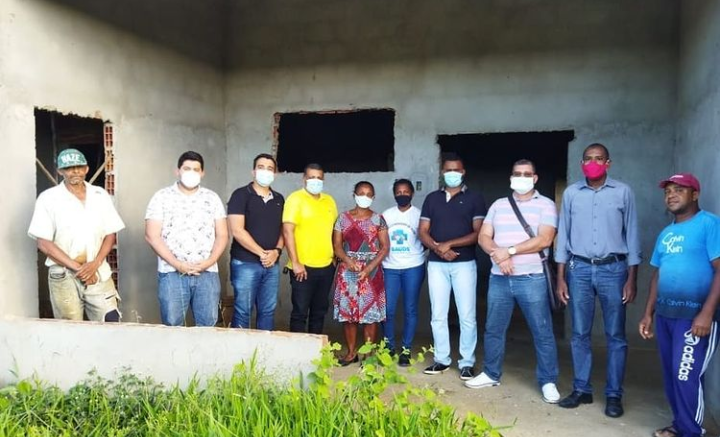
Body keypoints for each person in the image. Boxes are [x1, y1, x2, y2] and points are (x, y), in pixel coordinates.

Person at [555, 143, 641, 418]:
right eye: (589, 159)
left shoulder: (623, 192)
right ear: (582, 164)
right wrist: (560, 278)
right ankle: (582, 389)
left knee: (615, 335)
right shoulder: (571, 194)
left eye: (599, 158)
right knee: (579, 333)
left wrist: (631, 278)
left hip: (613, 270)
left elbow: (632, 235)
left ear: (608, 163)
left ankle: (614, 395)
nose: (593, 163)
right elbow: (563, 235)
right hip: (578, 269)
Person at [465, 159, 560, 403]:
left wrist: (509, 251)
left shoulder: (546, 205)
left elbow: (544, 239)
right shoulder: (499, 205)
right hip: (499, 278)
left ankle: (548, 380)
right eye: (517, 173)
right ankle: (491, 373)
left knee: (542, 331)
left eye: (527, 174)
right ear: (511, 178)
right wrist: (498, 255)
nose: (522, 177)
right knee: (494, 329)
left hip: (532, 278)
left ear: (535, 178)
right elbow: (484, 236)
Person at [639, 173, 719, 437]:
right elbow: (658, 274)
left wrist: (707, 313)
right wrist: (648, 313)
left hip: (694, 317)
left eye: (679, 190)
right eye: (667, 191)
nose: (671, 195)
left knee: (685, 375)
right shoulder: (666, 233)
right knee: (672, 374)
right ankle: (680, 425)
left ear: (695, 195)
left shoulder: (710, 224)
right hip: (666, 315)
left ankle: (691, 431)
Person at [28, 148, 125, 322]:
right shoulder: (48, 198)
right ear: (60, 171)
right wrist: (79, 269)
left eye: (79, 167)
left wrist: (94, 264)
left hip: (98, 271)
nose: (75, 172)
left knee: (110, 320)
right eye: (69, 168)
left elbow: (110, 234)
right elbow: (44, 243)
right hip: (64, 274)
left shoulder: (100, 195)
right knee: (70, 327)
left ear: (86, 169)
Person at [419, 153, 487, 380]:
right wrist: (439, 248)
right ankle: (441, 359)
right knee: (438, 314)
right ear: (442, 172)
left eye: (456, 170)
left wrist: (449, 244)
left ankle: (467, 362)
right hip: (437, 265)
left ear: (463, 172)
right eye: (448, 170)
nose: (452, 174)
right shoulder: (432, 199)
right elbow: (422, 231)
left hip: (464, 264)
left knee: (467, 315)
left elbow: (478, 233)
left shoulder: (475, 198)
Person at [145, 151, 228, 327]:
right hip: (171, 273)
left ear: (202, 173)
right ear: (178, 171)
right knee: (172, 325)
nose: (191, 173)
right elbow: (152, 235)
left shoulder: (212, 198)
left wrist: (209, 262)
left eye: (196, 169)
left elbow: (222, 235)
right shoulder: (161, 197)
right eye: (187, 168)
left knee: (207, 325)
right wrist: (178, 264)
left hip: (207, 273)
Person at [333, 181, 390, 365]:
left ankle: (368, 355)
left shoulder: (379, 219)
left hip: (371, 273)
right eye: (361, 193)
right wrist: (348, 261)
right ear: (354, 195)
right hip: (348, 273)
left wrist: (368, 268)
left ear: (373, 197)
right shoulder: (342, 218)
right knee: (349, 316)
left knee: (370, 317)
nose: (364, 197)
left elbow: (385, 247)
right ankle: (351, 353)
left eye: (368, 194)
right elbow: (337, 246)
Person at [227, 153, 284, 330]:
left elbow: (284, 230)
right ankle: (240, 347)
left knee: (267, 311)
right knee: (243, 310)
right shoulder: (240, 195)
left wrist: (276, 252)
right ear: (253, 171)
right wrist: (262, 254)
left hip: (271, 264)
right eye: (261, 167)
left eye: (270, 168)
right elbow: (237, 230)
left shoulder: (279, 199)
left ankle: (263, 347)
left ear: (275, 174)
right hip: (245, 263)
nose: (265, 171)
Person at [282, 163, 338, 334]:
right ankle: (298, 349)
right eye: (312, 177)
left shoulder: (329, 201)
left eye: (319, 178)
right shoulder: (295, 199)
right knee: (300, 313)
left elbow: (335, 230)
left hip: (326, 267)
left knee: (319, 312)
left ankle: (316, 349)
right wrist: (296, 262)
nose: (316, 181)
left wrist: (334, 259)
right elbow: (287, 231)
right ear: (304, 179)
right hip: (302, 268)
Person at [382, 178, 427, 367]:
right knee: (387, 309)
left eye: (406, 192)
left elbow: (426, 239)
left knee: (410, 309)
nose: (402, 195)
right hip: (390, 267)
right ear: (394, 194)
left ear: (412, 193)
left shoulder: (419, 215)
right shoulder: (386, 215)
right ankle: (389, 347)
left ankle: (406, 350)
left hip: (413, 266)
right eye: (398, 192)